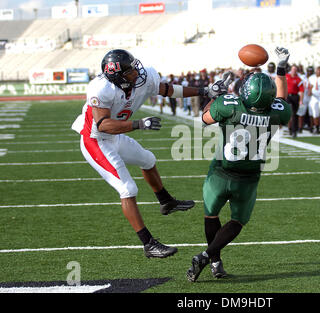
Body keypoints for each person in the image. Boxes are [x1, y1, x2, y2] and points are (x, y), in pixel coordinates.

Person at [71, 49, 226, 259]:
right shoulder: (101, 89)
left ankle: (166, 201)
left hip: (115, 137)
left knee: (148, 159)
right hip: (95, 140)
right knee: (127, 188)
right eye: (130, 70)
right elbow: (103, 125)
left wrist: (205, 91)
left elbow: (168, 89)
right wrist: (138, 124)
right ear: (118, 76)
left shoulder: (140, 79)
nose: (137, 72)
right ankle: (148, 244)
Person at [186, 47, 292, 282]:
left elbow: (204, 118)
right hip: (249, 176)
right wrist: (281, 68)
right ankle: (207, 256)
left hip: (221, 172)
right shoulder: (277, 112)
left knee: (211, 215)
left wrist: (216, 95)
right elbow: (282, 100)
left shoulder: (229, 104)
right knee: (237, 222)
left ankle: (214, 260)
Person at [286, 65, 303, 137]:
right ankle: (289, 128)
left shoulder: (299, 79)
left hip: (295, 97)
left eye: (295, 69)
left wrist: (301, 100)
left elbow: (302, 91)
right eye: (293, 69)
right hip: (287, 96)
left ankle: (294, 130)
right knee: (289, 113)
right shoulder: (286, 76)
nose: (294, 71)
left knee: (294, 114)